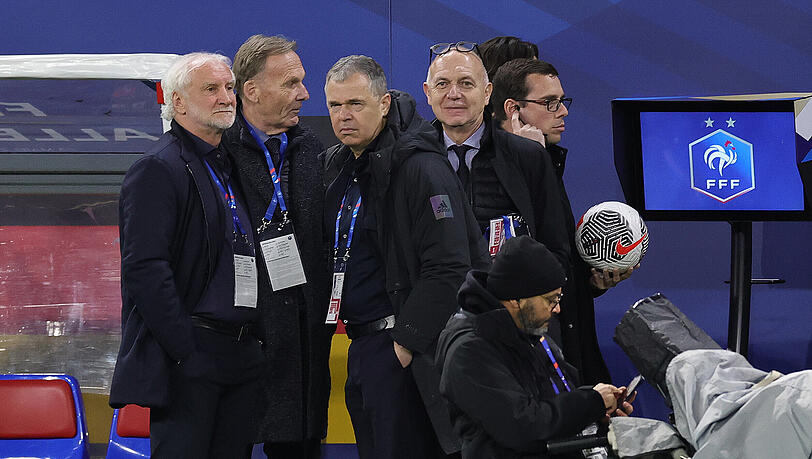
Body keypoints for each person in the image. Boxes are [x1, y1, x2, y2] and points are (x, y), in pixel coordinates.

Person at [322, 55, 489, 458]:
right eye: (335, 106)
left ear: (383, 104)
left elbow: (450, 266)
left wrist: (405, 343)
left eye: (355, 104)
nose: (344, 116)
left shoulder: (419, 167)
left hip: (404, 349)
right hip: (362, 345)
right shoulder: (338, 164)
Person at [109, 52, 263, 458]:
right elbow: (145, 269)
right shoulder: (158, 168)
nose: (226, 97)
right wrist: (185, 349)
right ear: (178, 102)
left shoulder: (231, 164)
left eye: (229, 88)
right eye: (211, 89)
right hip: (193, 354)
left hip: (241, 352)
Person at [492, 58, 636, 384]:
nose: (563, 112)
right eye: (549, 103)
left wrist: (589, 282)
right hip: (527, 356)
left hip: (572, 342)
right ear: (513, 109)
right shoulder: (490, 171)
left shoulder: (547, 160)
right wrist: (527, 163)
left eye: (562, 100)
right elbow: (517, 263)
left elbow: (553, 257)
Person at [220, 34, 331, 458]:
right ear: (251, 90)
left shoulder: (310, 149)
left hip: (303, 343)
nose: (304, 93)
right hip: (243, 341)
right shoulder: (218, 154)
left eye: (301, 82)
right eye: (290, 83)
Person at [436, 236, 634, 459]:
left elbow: (554, 398)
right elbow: (524, 426)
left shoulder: (528, 329)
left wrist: (599, 409)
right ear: (516, 299)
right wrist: (591, 403)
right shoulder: (468, 351)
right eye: (551, 299)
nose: (557, 309)